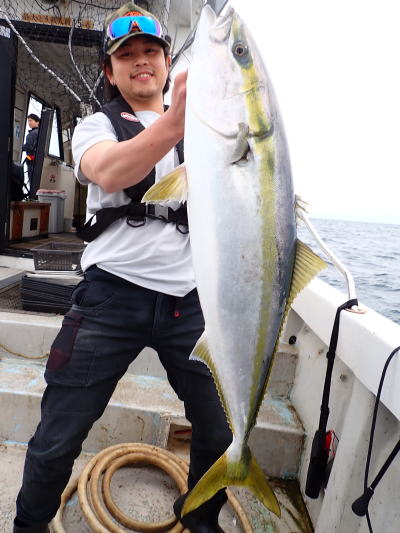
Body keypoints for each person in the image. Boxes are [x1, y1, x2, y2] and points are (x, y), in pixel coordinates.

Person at [13, 3, 232, 533]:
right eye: (126, 55)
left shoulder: (208, 129)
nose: (141, 61)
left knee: (220, 431)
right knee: (58, 437)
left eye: (151, 51)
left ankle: (200, 520)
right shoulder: (96, 126)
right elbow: (108, 171)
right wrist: (175, 122)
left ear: (167, 62)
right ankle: (29, 526)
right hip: (110, 299)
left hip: (189, 304)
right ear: (109, 73)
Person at [22, 114, 40, 185]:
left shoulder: (33, 133)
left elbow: (29, 147)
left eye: (31, 121)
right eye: (28, 121)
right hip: (34, 161)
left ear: (37, 122)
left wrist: (20, 147)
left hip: (31, 161)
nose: (29, 123)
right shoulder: (39, 132)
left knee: (32, 183)